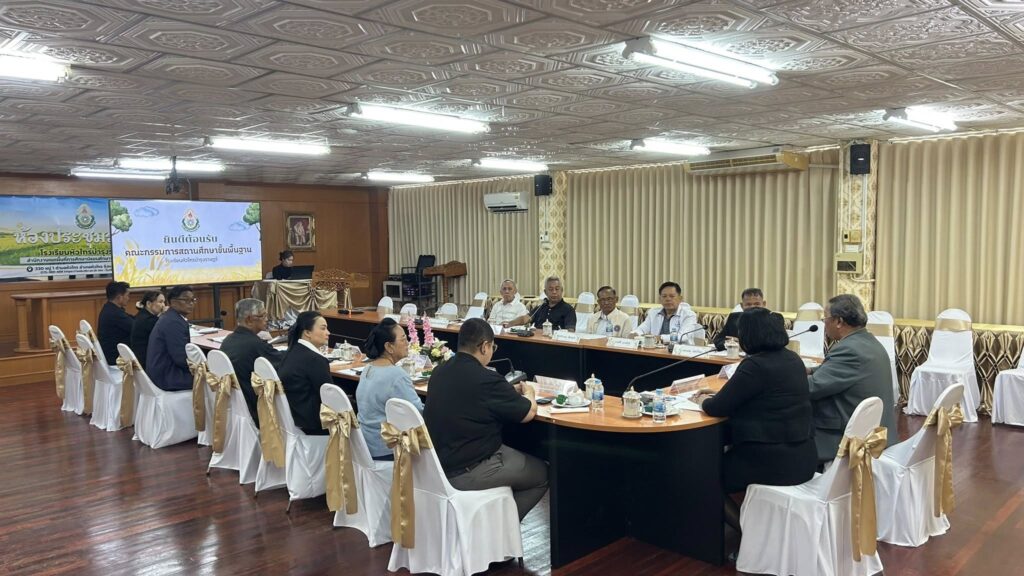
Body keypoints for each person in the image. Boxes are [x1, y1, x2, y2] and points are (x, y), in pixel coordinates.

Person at [694, 307, 817, 532]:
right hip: (803, 455)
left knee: (702, 477)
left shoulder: (755, 365)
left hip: (772, 461)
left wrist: (702, 401)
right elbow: (757, 396)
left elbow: (717, 408)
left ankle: (749, 535)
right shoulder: (792, 358)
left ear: (750, 334)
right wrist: (718, 396)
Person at [424, 318, 548, 520]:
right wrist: (530, 394)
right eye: (493, 347)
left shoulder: (439, 371)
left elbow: (470, 396)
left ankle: (490, 523)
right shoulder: (486, 379)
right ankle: (500, 529)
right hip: (467, 470)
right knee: (542, 474)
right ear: (484, 347)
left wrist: (506, 391)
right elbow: (528, 413)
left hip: (436, 466)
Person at [808, 294, 896, 462]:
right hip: (875, 432)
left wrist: (781, 378)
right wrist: (809, 370)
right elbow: (839, 372)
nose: (824, 325)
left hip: (845, 441)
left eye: (825, 319)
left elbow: (811, 388)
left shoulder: (848, 350)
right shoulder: (868, 341)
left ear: (838, 321)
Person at [356, 319, 423, 461]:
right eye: (403, 339)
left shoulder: (368, 368)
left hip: (364, 446)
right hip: (387, 448)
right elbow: (417, 413)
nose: (407, 343)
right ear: (389, 347)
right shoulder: (397, 375)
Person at [220, 298, 284, 427]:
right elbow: (282, 362)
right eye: (263, 315)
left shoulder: (228, 340)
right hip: (255, 405)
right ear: (249, 320)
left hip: (234, 404)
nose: (267, 319)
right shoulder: (255, 344)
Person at [276, 311, 332, 436]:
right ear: (307, 332)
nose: (328, 333)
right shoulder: (316, 360)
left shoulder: (291, 351)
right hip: (312, 424)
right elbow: (329, 397)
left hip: (293, 418)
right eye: (323, 328)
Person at [147, 285, 195, 391]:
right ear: (173, 302)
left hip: (161, 372)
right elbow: (181, 358)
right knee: (214, 379)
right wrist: (201, 368)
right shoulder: (174, 322)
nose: (191, 303)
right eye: (186, 300)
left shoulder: (170, 317)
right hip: (167, 376)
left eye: (193, 300)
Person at [634, 281, 700, 342]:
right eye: (664, 296)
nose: (668, 299)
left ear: (680, 299)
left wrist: (660, 338)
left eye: (672, 296)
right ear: (660, 299)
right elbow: (642, 329)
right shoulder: (653, 312)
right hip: (655, 349)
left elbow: (683, 336)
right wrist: (635, 334)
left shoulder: (689, 315)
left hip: (679, 349)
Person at [98, 281, 133, 366]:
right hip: (116, 358)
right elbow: (135, 327)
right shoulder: (114, 313)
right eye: (127, 296)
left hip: (112, 354)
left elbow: (130, 318)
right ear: (119, 297)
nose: (128, 298)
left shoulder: (109, 308)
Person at [130, 290, 164, 369]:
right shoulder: (148, 320)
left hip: (144, 361)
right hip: (147, 364)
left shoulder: (143, 315)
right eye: (160, 302)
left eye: (164, 302)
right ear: (149, 304)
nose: (163, 305)